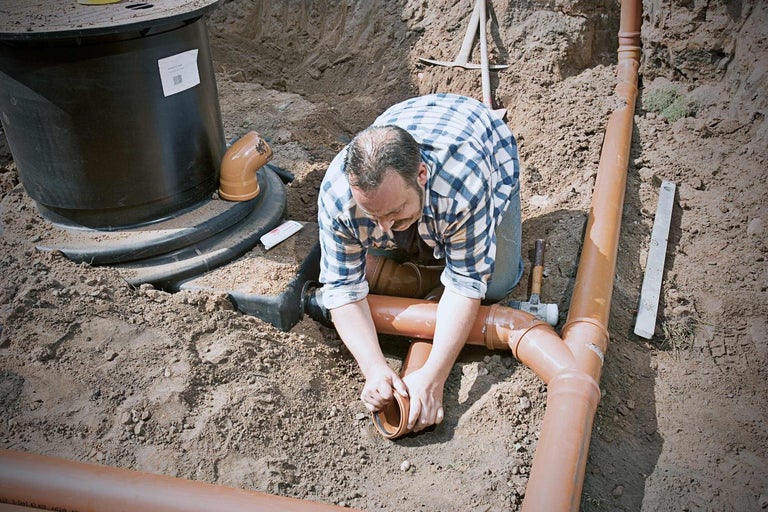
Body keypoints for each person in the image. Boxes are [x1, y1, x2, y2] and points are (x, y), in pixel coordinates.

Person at [317, 93, 522, 433]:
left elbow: (466, 284)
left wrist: (434, 376)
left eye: (394, 211)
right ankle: (425, 263)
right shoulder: (338, 197)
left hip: (487, 145)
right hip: (410, 124)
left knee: (497, 283)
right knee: (390, 234)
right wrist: (374, 368)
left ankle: (430, 261)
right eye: (372, 214)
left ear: (422, 175)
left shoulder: (462, 186)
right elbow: (341, 290)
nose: (382, 226)